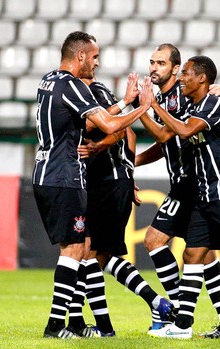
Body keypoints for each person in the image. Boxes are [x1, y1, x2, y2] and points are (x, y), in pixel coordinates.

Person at [33, 31, 153, 339]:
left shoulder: (50, 81)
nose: (97, 63)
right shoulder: (72, 84)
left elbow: (92, 121)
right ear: (81, 56)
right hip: (64, 177)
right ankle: (55, 325)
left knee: (83, 246)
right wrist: (142, 107)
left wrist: (124, 101)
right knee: (74, 248)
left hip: (48, 173)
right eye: (95, 57)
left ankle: (73, 322)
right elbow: (110, 126)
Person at [140, 56, 220, 342]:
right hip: (205, 193)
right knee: (193, 254)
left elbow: (184, 131)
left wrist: (153, 106)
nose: (182, 78)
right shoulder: (193, 108)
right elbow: (165, 134)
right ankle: (184, 325)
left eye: (185, 73)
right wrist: (145, 110)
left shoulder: (214, 104)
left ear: (201, 78)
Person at [68, 72, 174, 337]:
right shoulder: (81, 94)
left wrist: (106, 153)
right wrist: (128, 170)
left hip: (108, 185)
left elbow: (118, 130)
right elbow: (129, 134)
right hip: (105, 184)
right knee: (100, 257)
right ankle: (156, 303)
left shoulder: (96, 92)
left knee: (89, 256)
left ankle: (99, 327)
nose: (96, 62)